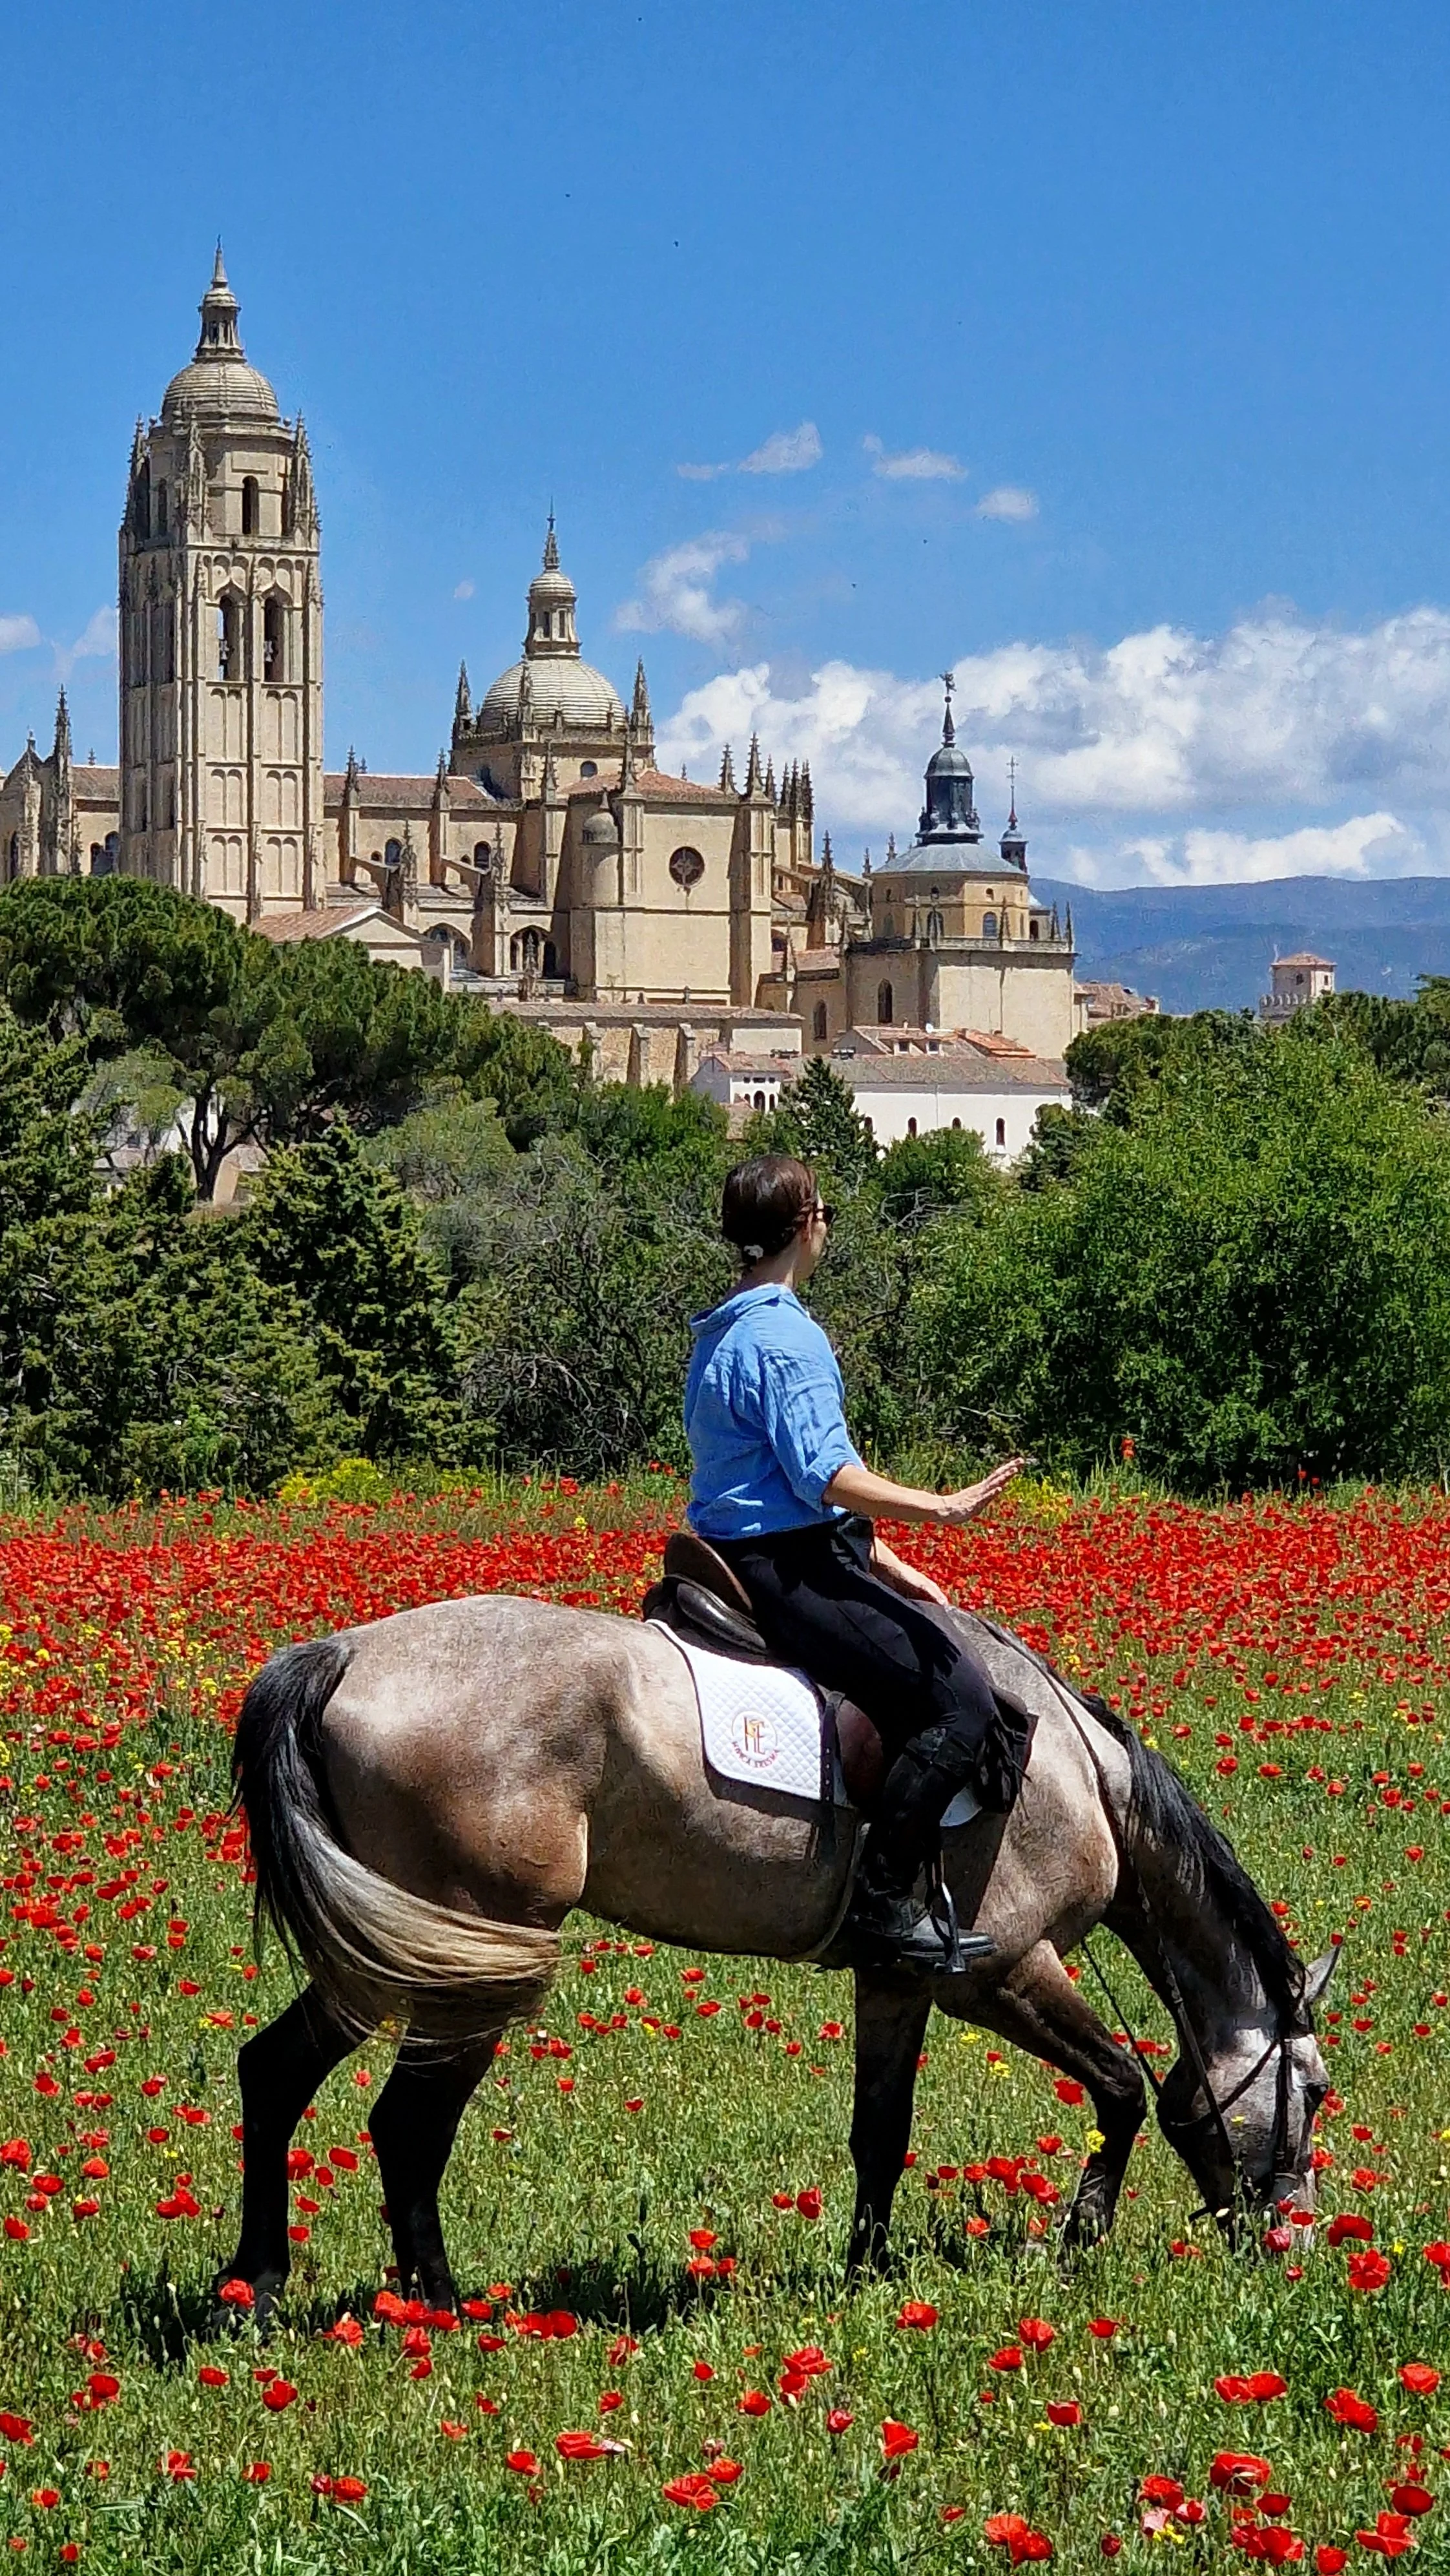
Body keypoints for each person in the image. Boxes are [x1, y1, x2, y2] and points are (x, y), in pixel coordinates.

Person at [683, 1153, 1025, 1973]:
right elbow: (824, 1477)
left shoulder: (725, 1324)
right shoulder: (786, 1336)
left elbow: (769, 1475)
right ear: (805, 1226)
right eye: (823, 1211)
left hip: (733, 1552)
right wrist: (939, 1506)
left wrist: (882, 1556)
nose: (827, 1222)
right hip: (787, 1567)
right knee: (962, 1702)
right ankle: (879, 1902)